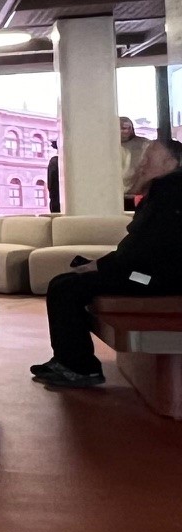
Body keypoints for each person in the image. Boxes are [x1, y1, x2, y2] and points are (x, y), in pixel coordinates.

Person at [33, 139, 182, 389]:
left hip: (156, 278)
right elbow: (141, 246)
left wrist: (101, 266)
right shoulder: (166, 190)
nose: (141, 165)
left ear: (170, 163)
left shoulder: (169, 190)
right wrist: (103, 265)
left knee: (66, 288)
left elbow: (144, 248)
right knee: (66, 282)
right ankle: (71, 361)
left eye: (148, 159)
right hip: (151, 272)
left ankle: (78, 367)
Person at [122, 117, 151, 210]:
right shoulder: (107, 146)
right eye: (121, 128)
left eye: (127, 127)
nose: (125, 131)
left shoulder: (145, 144)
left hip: (138, 193)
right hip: (119, 194)